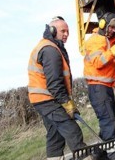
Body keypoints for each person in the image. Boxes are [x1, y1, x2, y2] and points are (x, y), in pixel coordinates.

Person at [27, 16, 87, 160]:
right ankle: (85, 157)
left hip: (42, 99)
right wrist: (67, 103)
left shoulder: (49, 46)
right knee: (72, 130)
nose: (66, 34)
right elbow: (54, 83)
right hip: (48, 99)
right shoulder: (50, 49)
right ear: (52, 30)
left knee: (55, 135)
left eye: (68, 31)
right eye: (63, 31)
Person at [83, 12, 115, 144]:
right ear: (103, 25)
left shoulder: (107, 40)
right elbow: (98, 62)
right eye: (111, 27)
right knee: (108, 120)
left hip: (104, 87)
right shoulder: (94, 40)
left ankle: (99, 153)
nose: (113, 30)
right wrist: (114, 50)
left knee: (109, 119)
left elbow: (112, 54)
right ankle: (114, 154)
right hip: (98, 88)